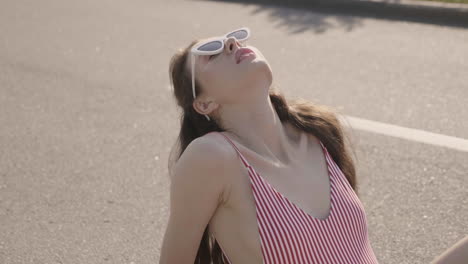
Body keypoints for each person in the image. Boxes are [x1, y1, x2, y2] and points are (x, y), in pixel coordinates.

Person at [159, 27, 378, 264]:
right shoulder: (211, 158)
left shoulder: (318, 130)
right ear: (204, 104)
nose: (232, 43)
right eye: (211, 53)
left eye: (235, 38)